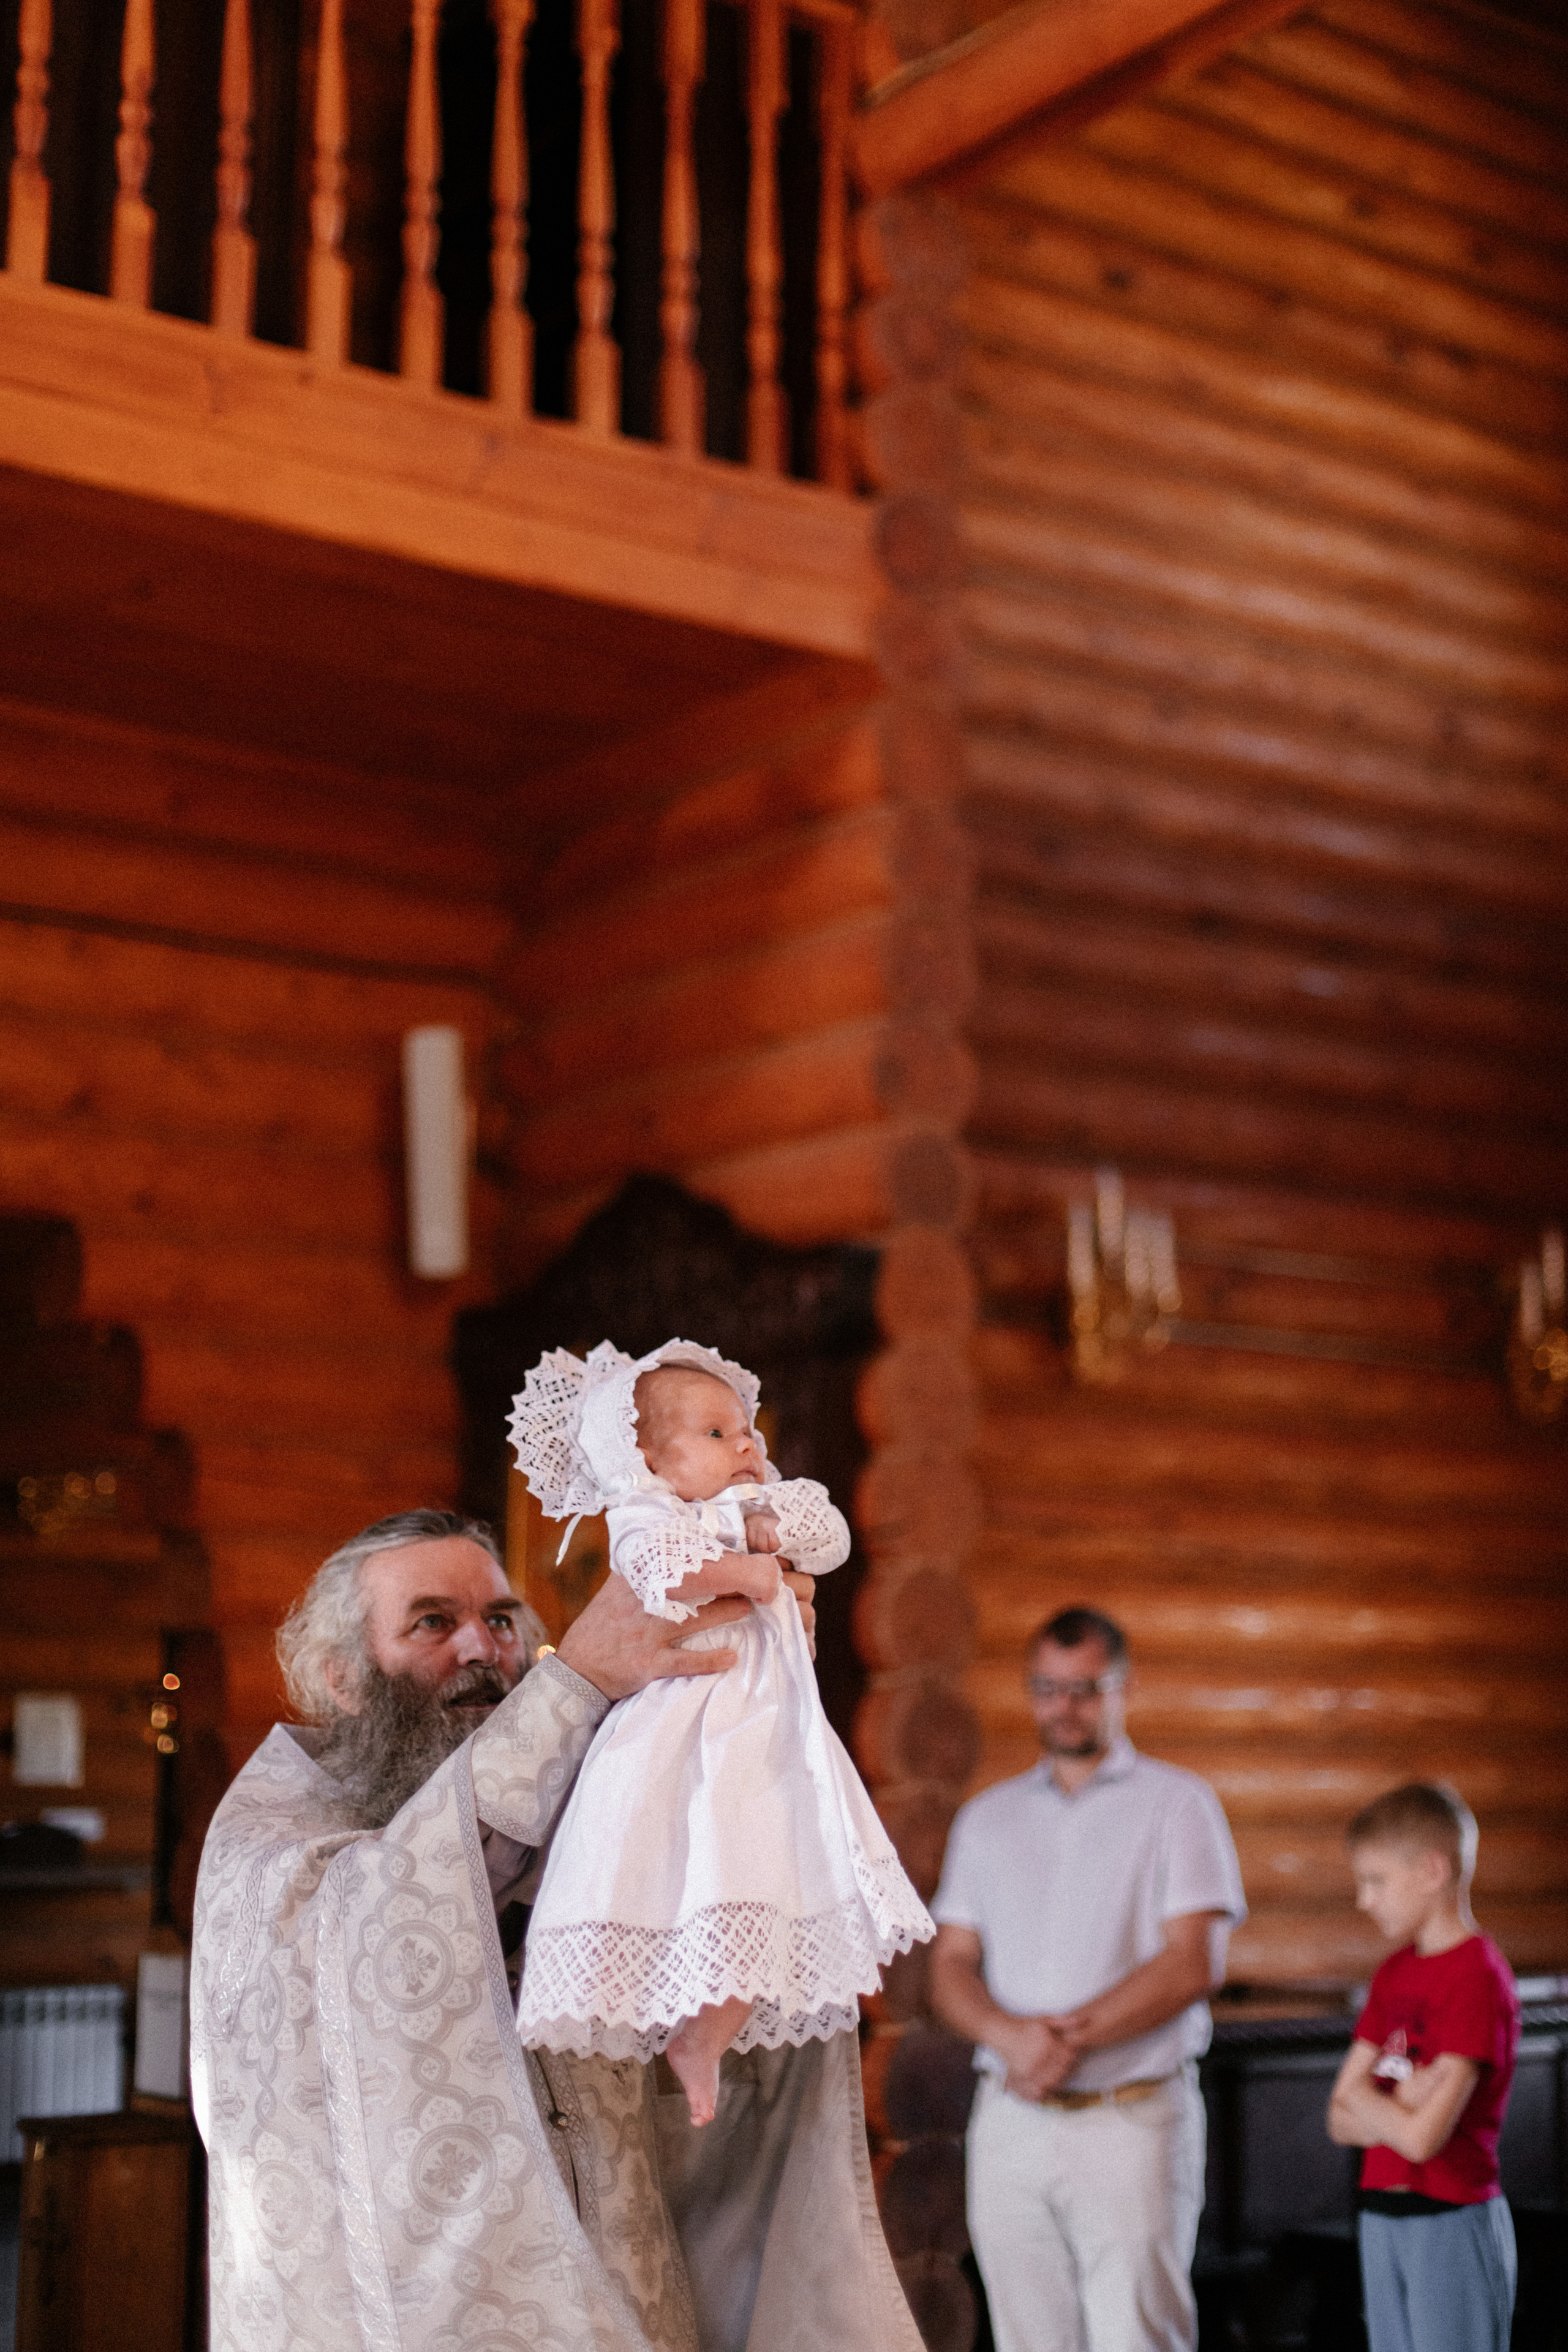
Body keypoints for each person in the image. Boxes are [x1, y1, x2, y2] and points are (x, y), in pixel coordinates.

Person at [190, 1507, 923, 2352]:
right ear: (341, 1677)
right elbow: (391, 1920)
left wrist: (743, 1668)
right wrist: (574, 1684)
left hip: (627, 2306)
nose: (481, 1649)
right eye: (434, 1622)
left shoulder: (589, 1795)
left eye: (500, 1620)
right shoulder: (270, 1847)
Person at [508, 1339, 933, 2125]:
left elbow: (831, 1541)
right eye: (714, 1435)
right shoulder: (648, 1515)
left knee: (769, 1888)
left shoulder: (752, 1505)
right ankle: (675, 2023)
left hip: (772, 1734)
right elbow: (657, 1572)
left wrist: (773, 1528)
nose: (745, 1444)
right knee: (700, 1867)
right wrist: (746, 1572)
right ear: (646, 1461)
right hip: (692, 1729)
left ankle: (705, 2038)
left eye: (746, 1430)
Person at [929, 1605, 1245, 2352]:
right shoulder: (986, 1819)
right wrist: (1010, 2038)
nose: (1062, 1706)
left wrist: (1061, 2042)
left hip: (1130, 2122)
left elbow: (1193, 1960)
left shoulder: (1179, 1804)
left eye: (1082, 1688)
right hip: (1009, 2122)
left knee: (1137, 2339)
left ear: (1121, 1687)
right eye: (1046, 1687)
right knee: (1026, 2340)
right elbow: (949, 1965)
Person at [1327, 1781, 1520, 2352]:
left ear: (1433, 1871)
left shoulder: (1478, 1976)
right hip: (1381, 2214)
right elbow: (1338, 2116)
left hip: (1451, 2216)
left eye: (1376, 1881)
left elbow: (1420, 2141)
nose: (1365, 1900)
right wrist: (1409, 2096)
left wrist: (1378, 2100)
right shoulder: (1391, 1973)